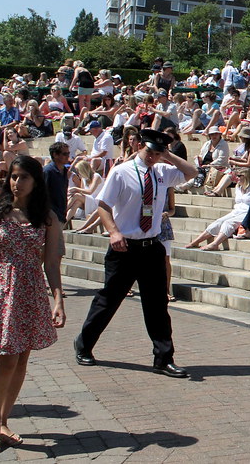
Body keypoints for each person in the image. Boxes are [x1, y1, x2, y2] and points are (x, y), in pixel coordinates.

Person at [74, 129, 197, 379]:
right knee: (109, 300)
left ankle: (164, 359)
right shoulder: (121, 172)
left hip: (151, 246)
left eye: (157, 153)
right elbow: (104, 205)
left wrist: (168, 156)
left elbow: (191, 172)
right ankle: (84, 344)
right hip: (125, 247)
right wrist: (113, 232)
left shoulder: (162, 172)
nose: (152, 157)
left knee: (157, 305)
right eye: (149, 151)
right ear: (140, 146)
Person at [0, 156, 65, 453]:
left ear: (36, 181)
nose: (16, 183)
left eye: (23, 177)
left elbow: (51, 264)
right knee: (5, 359)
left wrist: (58, 300)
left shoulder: (47, 218)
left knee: (21, 360)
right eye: (13, 176)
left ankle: (4, 419)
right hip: (1, 291)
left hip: (30, 292)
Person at [185, 169, 250, 251]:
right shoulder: (238, 187)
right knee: (219, 221)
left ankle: (215, 244)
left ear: (246, 176)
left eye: (239, 176)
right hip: (236, 212)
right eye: (236, 175)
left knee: (228, 223)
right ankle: (195, 242)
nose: (236, 178)